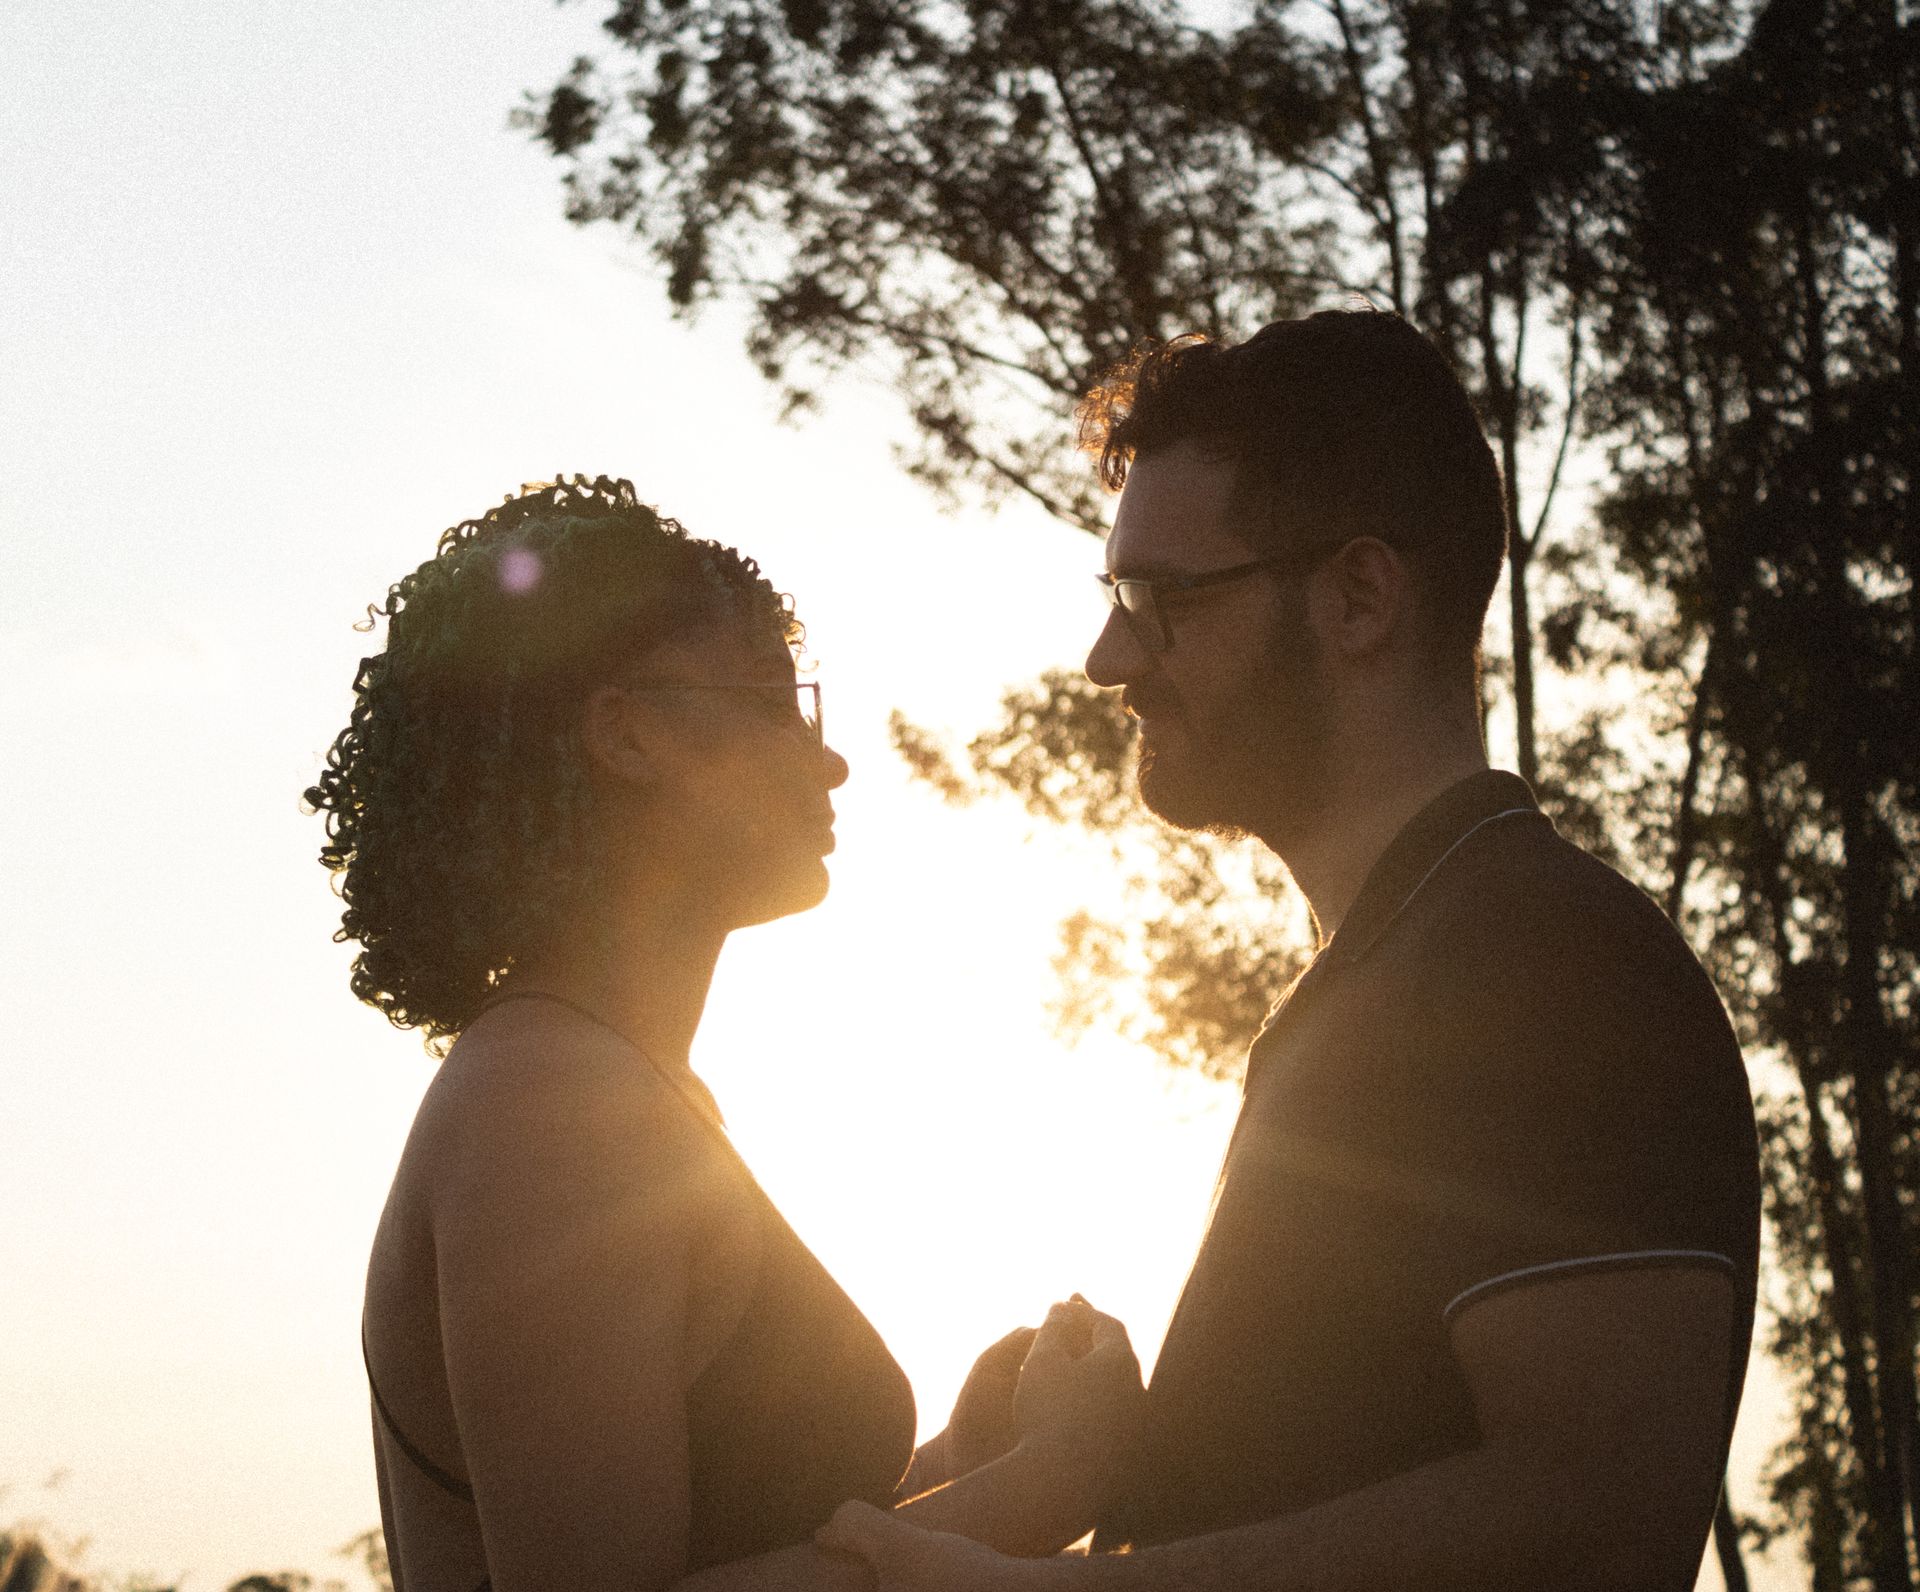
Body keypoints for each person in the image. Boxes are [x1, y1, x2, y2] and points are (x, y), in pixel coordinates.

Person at [820, 310, 1761, 1590]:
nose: (1108, 660)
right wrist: (1091, 1464)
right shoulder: (1393, 976)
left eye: (1157, 600)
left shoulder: (1544, 957)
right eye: (1113, 598)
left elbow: (1594, 1508)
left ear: (1359, 596)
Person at [305, 476, 1143, 1592]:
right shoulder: (550, 1107)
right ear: (629, 732)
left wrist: (965, 1459)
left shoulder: (618, 1087)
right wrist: (1038, 1489)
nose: (827, 758)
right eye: (772, 700)